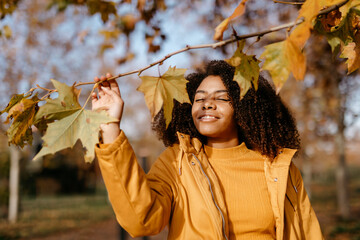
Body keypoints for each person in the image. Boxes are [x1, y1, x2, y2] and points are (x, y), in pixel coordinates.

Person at [92, 60, 324, 240]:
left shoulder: (278, 166)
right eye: (199, 99)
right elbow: (141, 221)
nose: (207, 104)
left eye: (221, 98)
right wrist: (110, 127)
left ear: (245, 107)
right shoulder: (176, 162)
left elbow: (307, 231)